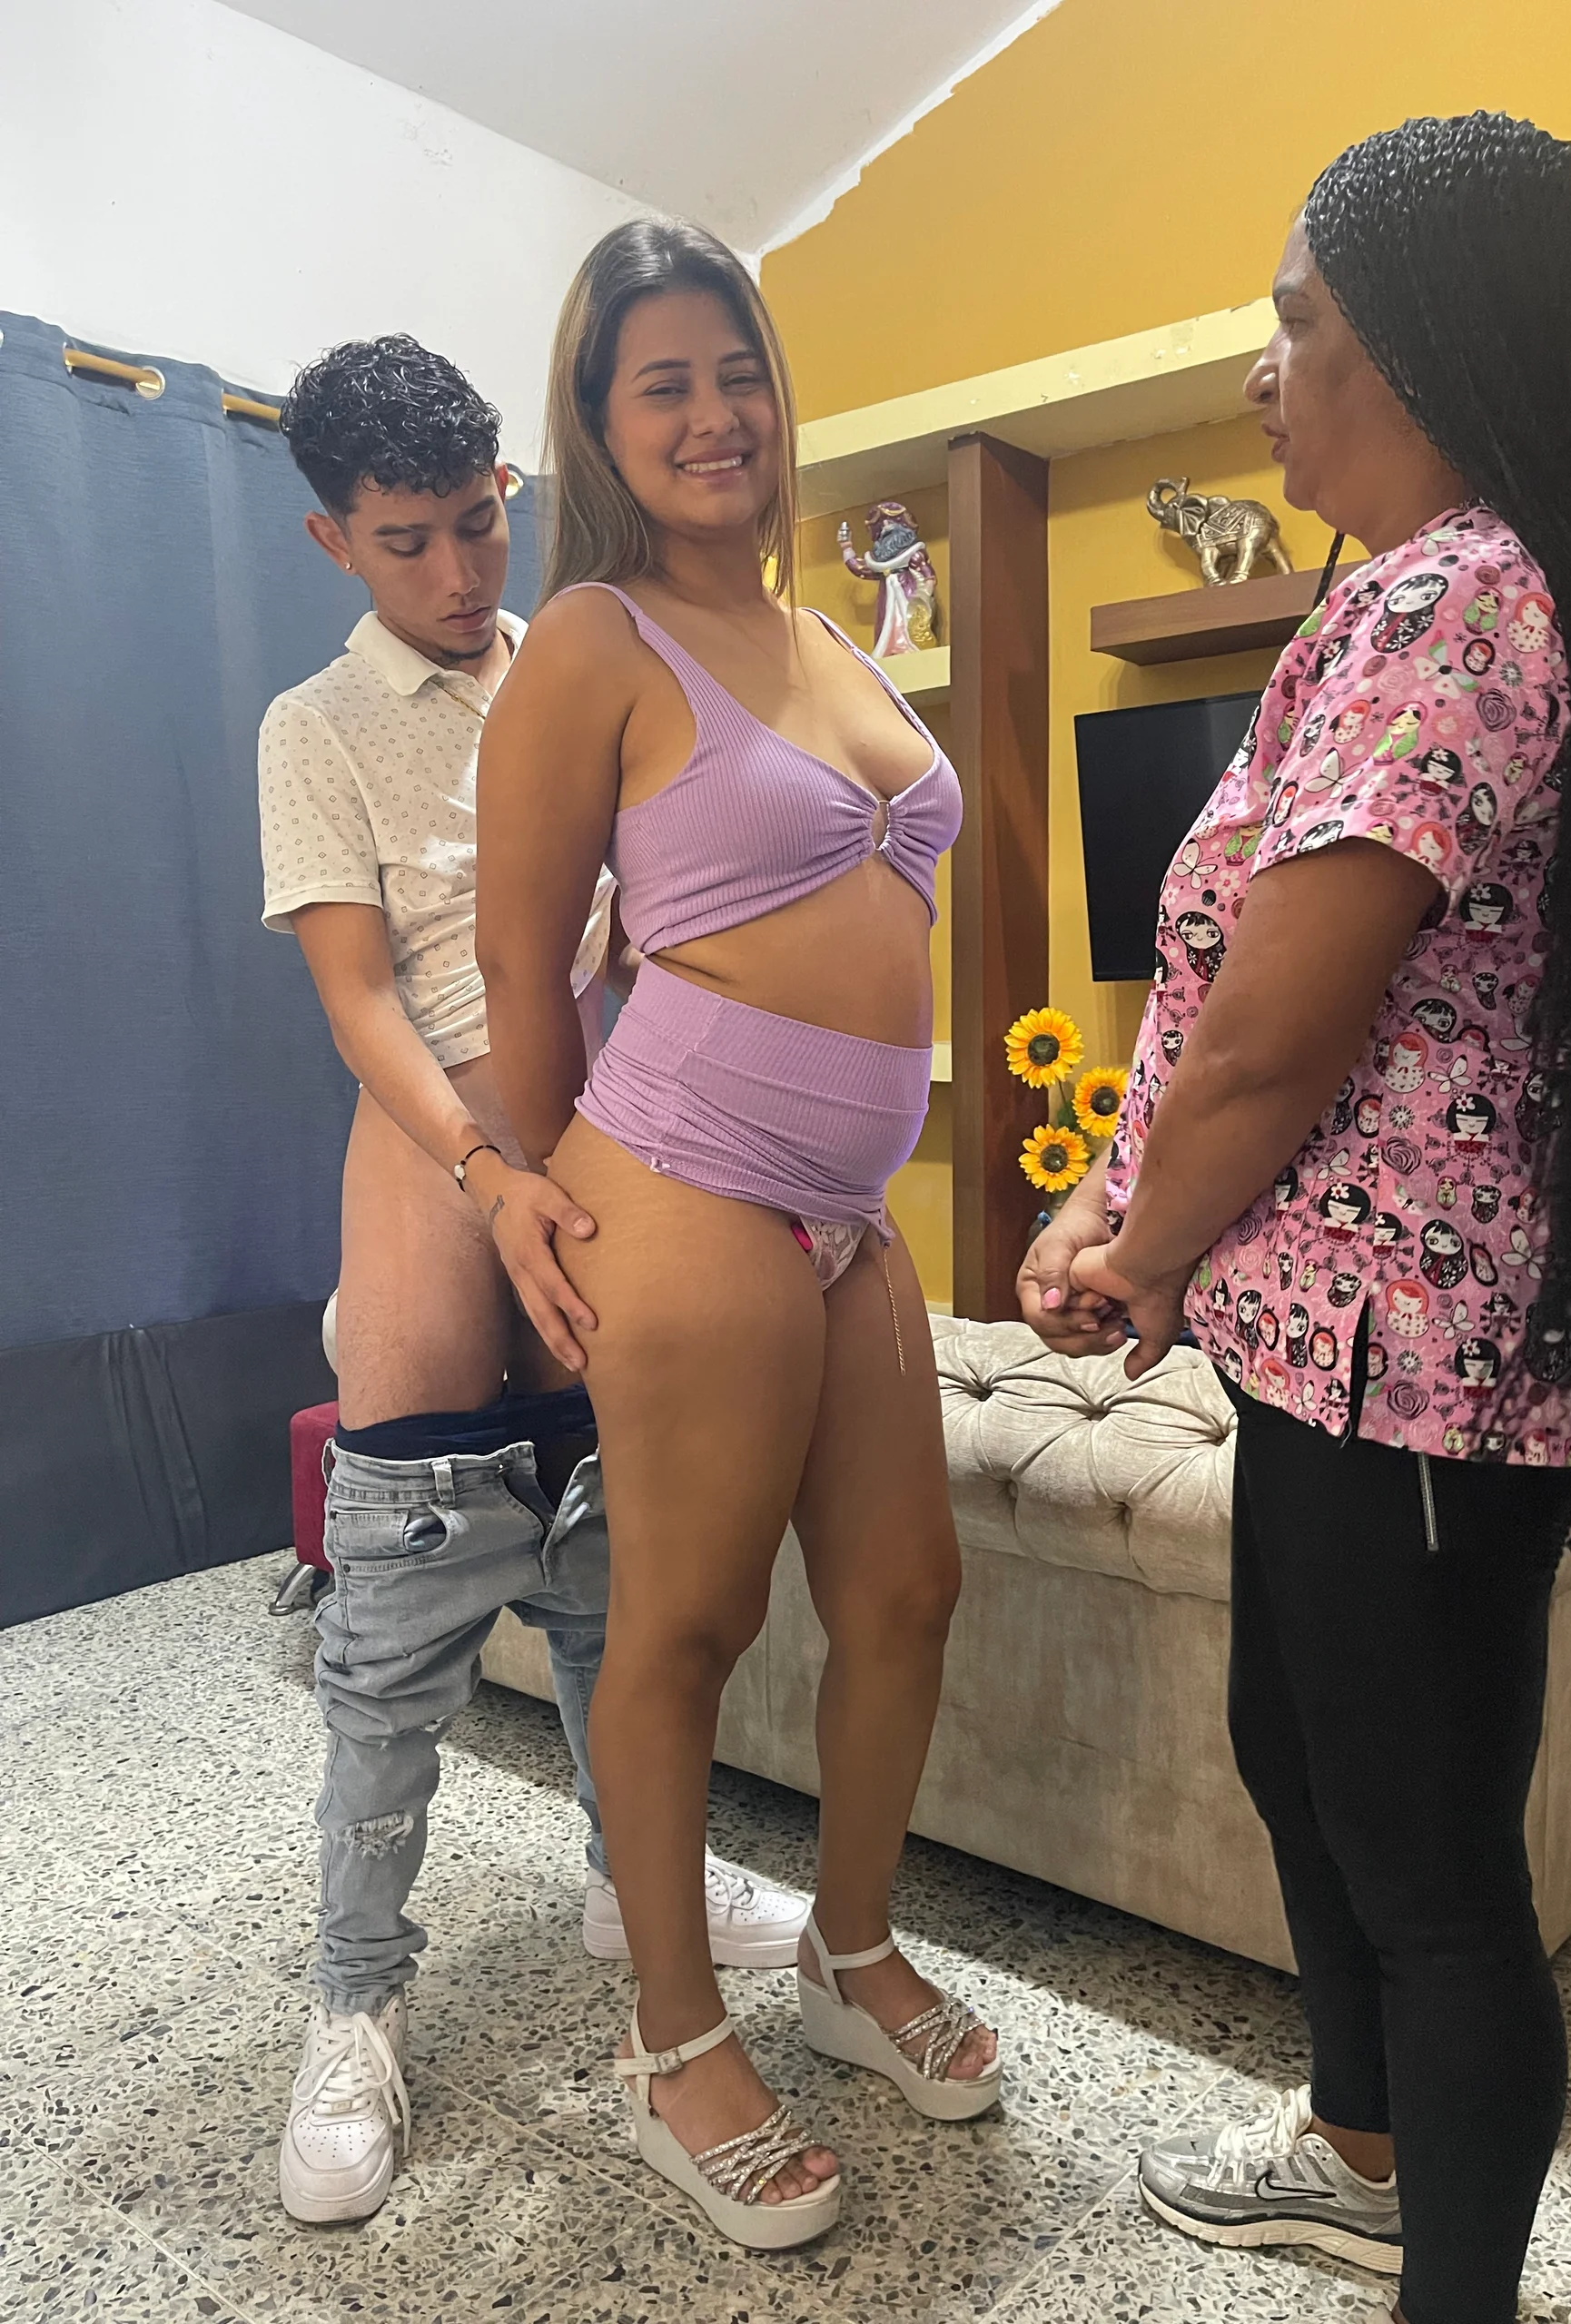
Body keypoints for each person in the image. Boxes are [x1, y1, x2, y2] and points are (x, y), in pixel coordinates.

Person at [1020, 113, 1571, 2324]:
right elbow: (1225, 1012)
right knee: (1308, 1758)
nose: (1263, 369)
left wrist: (1134, 1244)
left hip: (1407, 1362)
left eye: (1294, 320)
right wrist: (1126, 1201)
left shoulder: (1455, 595)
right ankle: (1358, 2149)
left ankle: (1453, 2285)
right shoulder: (1431, 585)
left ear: (1419, 343)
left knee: (1430, 1868)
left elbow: (1275, 1030)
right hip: (1347, 1341)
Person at [475, 218, 1001, 2250]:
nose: (715, 415)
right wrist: (543, 1194)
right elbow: (525, 967)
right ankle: (672, 2039)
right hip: (682, 1168)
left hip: (850, 1203)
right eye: (663, 384)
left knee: (908, 1590)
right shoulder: (590, 641)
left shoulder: (834, 641)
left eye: (738, 371)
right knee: (685, 1624)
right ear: (602, 424)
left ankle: (849, 1954)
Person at [258, 335, 807, 2228]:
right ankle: (353, 1998)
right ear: (335, 539)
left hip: (623, 1140)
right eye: (405, 541)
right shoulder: (316, 724)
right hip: (441, 1154)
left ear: (512, 488)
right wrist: (488, 1175)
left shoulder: (594, 650)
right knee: (400, 1621)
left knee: (614, 1569)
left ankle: (626, 1884)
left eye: (477, 524)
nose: (455, 571)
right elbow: (355, 994)